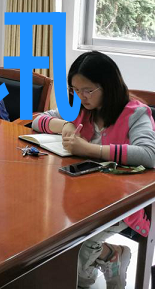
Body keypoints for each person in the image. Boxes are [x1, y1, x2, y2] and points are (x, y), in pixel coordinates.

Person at [32, 51, 155, 289]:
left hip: (122, 202)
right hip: (81, 196)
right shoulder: (78, 107)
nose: (81, 96)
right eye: (75, 90)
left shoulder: (135, 112)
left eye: (88, 90)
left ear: (108, 85)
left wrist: (91, 150)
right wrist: (65, 124)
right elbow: (37, 119)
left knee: (75, 255)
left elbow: (149, 154)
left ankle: (105, 259)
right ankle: (111, 255)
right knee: (48, 238)